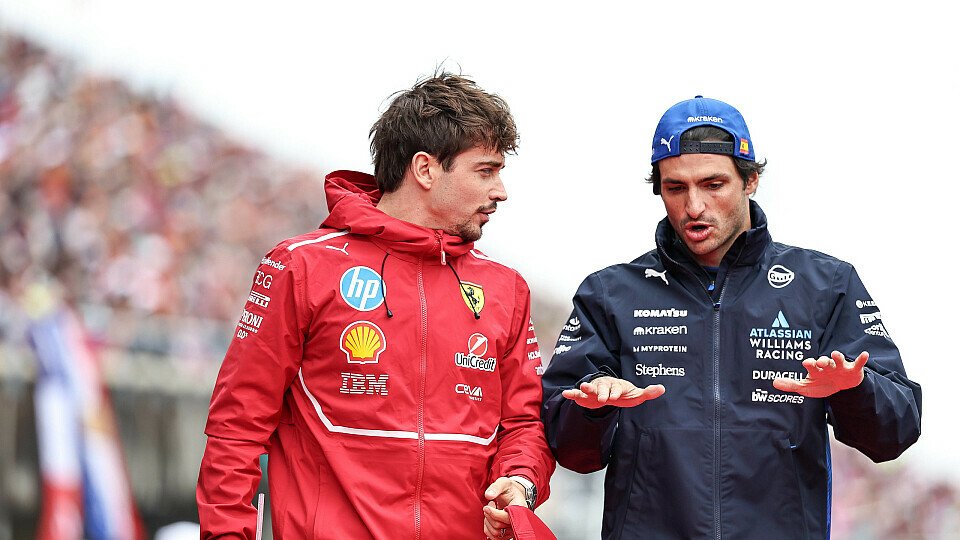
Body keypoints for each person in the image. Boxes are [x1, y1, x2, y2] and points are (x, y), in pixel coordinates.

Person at [541, 96, 922, 539]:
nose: (694, 207)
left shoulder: (825, 285)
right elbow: (571, 452)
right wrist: (592, 411)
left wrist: (855, 389)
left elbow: (895, 433)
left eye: (713, 184)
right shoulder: (609, 293)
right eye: (676, 188)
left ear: (751, 180)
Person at [197, 73, 555, 539]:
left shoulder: (507, 288)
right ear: (425, 169)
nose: (501, 190)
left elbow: (524, 425)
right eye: (485, 171)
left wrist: (521, 482)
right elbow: (236, 428)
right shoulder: (301, 267)